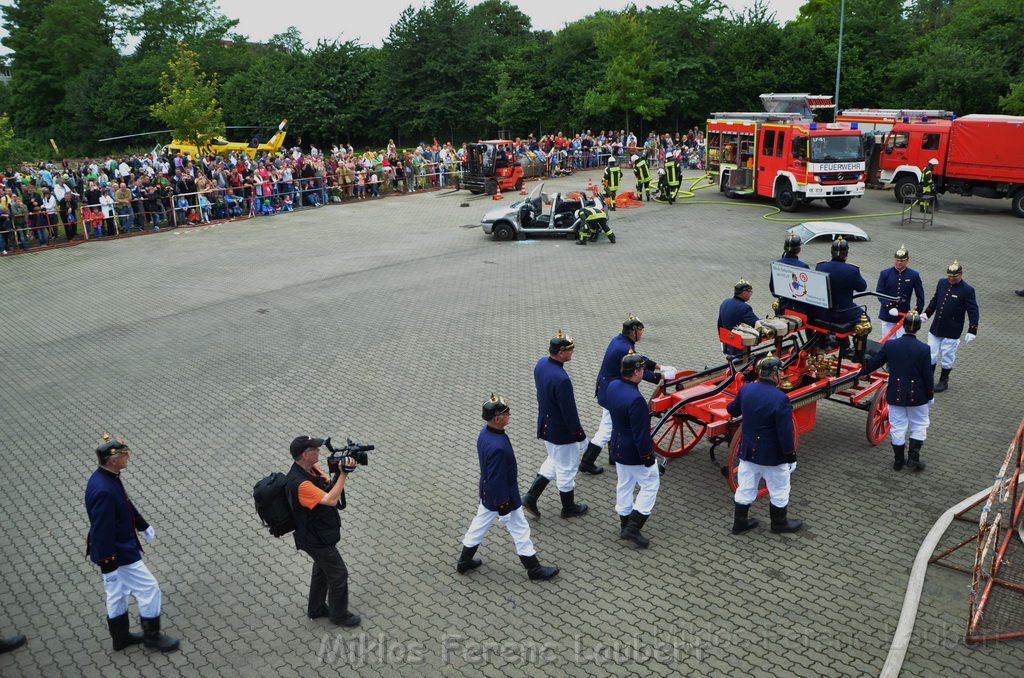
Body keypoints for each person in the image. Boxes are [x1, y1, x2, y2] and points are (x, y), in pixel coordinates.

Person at [85, 433, 180, 652]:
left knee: (116, 593)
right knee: (149, 589)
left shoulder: (107, 478)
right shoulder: (104, 490)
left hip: (115, 550)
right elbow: (102, 531)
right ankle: (152, 637)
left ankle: (120, 637)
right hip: (119, 553)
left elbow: (124, 504)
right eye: (124, 454)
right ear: (113, 460)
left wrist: (142, 524)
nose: (128, 456)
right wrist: (109, 565)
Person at [456, 395, 559, 581]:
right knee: (521, 530)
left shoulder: (485, 433)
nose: (509, 414)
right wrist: (504, 506)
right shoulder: (498, 447)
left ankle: (464, 561)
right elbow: (497, 479)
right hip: (504, 497)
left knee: (478, 526)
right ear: (497, 418)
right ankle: (533, 568)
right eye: (506, 413)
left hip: (488, 493)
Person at [285, 435, 361, 627]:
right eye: (315, 450)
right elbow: (330, 500)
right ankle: (339, 615)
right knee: (338, 574)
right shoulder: (300, 484)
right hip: (315, 539)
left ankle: (316, 608)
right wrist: (344, 474)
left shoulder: (310, 469)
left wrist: (339, 471)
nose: (319, 452)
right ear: (305, 454)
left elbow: (328, 485)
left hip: (319, 533)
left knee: (322, 570)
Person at [727, 355, 803, 534]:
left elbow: (732, 409)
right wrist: (790, 454)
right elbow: (785, 432)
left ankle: (740, 523)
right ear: (775, 373)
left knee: (745, 487)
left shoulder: (746, 389)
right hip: (772, 455)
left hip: (747, 451)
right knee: (780, 489)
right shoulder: (780, 398)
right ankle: (779, 523)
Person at [580, 314, 661, 474]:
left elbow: (639, 358)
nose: (642, 334)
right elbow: (639, 370)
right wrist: (660, 375)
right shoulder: (625, 347)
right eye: (641, 331)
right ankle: (587, 462)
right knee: (606, 429)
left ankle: (612, 456)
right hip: (612, 392)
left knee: (613, 425)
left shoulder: (619, 340)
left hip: (608, 388)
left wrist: (658, 365)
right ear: (633, 332)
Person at [522, 331, 589, 520]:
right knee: (567, 469)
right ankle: (568, 508)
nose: (573, 352)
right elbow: (569, 413)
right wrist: (580, 436)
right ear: (560, 352)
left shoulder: (541, 363)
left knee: (553, 460)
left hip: (546, 425)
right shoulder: (562, 379)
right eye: (570, 350)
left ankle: (531, 496)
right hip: (562, 432)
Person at [859, 312, 933, 471]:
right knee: (919, 425)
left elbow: (876, 362)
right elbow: (928, 376)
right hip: (918, 395)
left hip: (896, 394)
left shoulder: (891, 345)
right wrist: (930, 394)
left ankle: (898, 461)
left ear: (904, 327)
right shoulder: (924, 349)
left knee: (898, 426)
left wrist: (861, 372)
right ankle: (913, 460)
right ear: (918, 328)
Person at [607, 353, 660, 548]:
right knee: (651, 484)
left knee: (625, 484)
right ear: (636, 372)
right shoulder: (636, 399)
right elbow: (641, 434)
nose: (643, 374)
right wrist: (648, 457)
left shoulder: (613, 386)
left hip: (618, 445)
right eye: (642, 371)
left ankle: (624, 524)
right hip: (634, 451)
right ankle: (633, 527)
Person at [922, 260, 979, 393]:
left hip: (952, 329)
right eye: (949, 276)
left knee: (947, 354)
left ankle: (943, 381)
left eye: (954, 276)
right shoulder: (942, 282)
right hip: (937, 326)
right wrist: (926, 314)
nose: (951, 279)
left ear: (961, 275)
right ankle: (928, 379)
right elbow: (935, 300)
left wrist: (972, 329)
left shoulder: (967, 290)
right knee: (930, 353)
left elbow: (973, 310)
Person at [814, 236, 867, 352]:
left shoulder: (820, 266)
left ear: (831, 252)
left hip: (823, 312)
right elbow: (862, 287)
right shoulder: (852, 270)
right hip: (843, 313)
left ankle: (831, 341)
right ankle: (859, 352)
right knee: (865, 320)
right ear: (846, 254)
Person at [875, 244, 925, 339]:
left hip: (904, 316)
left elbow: (920, 295)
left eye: (902, 261)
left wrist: (917, 312)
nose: (899, 263)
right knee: (887, 341)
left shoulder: (914, 275)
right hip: (887, 314)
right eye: (897, 260)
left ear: (907, 260)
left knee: (901, 342)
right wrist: (889, 307)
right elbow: (879, 293)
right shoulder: (885, 273)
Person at [769, 231, 811, 318]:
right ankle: (809, 332)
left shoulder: (776, 264)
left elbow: (773, 290)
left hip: (783, 305)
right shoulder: (803, 266)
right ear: (799, 250)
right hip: (800, 308)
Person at [718, 279, 759, 358]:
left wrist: (721, 337)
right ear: (744, 293)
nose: (751, 294)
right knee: (739, 363)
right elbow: (755, 323)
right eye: (750, 292)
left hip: (726, 339)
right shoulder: (745, 308)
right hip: (738, 344)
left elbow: (719, 322)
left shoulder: (725, 302)